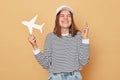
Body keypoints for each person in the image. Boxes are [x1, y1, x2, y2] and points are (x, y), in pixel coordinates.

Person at [28, 5, 90, 80]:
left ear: (72, 19)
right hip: (55, 77)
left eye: (68, 16)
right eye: (62, 16)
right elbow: (46, 64)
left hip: (74, 77)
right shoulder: (50, 37)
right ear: (57, 19)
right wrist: (34, 46)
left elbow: (84, 61)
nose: (65, 18)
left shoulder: (79, 36)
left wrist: (85, 39)